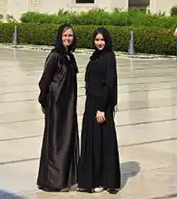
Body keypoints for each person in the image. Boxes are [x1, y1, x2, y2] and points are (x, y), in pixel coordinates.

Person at [77, 28, 121, 194]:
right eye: (97, 39)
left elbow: (109, 84)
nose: (99, 43)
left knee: (102, 144)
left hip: (100, 107)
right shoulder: (96, 56)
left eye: (102, 40)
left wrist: (102, 109)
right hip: (92, 105)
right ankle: (93, 179)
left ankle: (104, 180)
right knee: (93, 143)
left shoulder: (109, 57)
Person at [37, 24, 79, 192]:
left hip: (68, 107)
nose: (67, 38)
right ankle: (52, 181)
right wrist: (44, 101)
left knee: (67, 140)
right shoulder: (55, 56)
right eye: (64, 36)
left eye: (70, 36)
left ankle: (64, 179)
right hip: (56, 107)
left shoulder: (70, 57)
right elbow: (44, 80)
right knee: (56, 142)